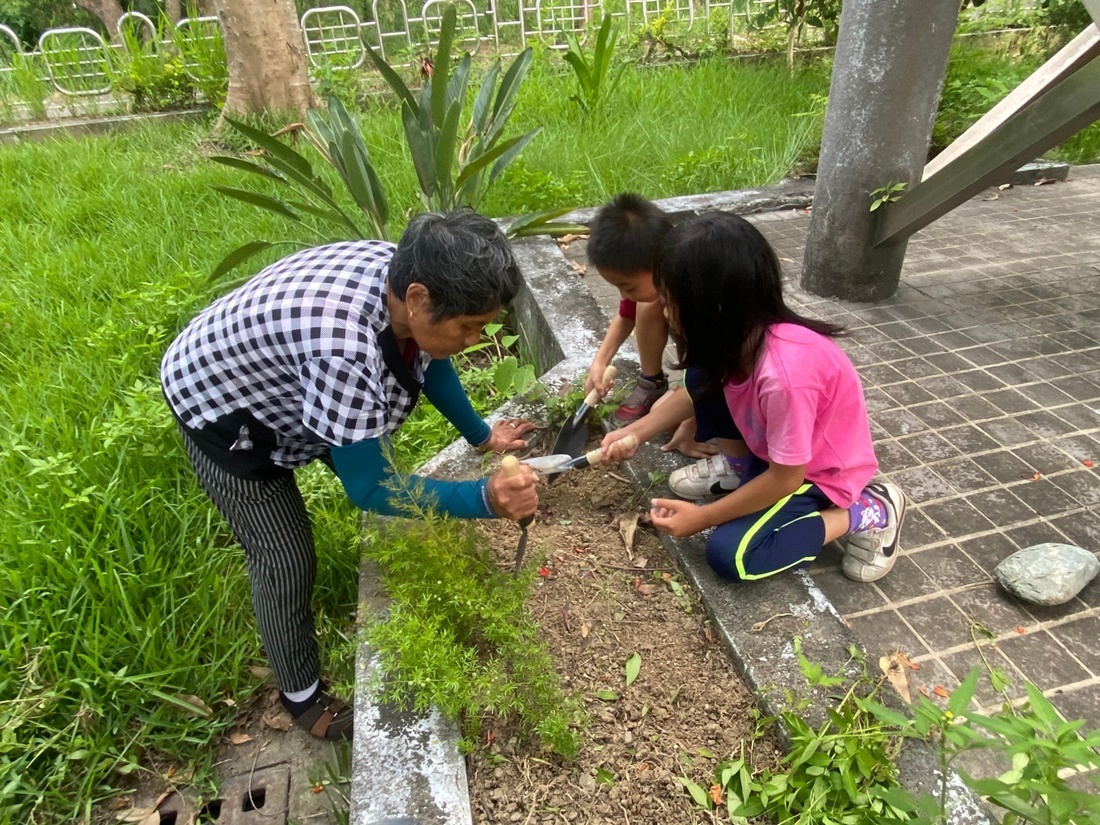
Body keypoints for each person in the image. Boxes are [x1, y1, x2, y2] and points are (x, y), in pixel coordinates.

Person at [161, 209, 539, 740]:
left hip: (281, 371)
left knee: (365, 441)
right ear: (417, 298)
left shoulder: (408, 280)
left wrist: (482, 435)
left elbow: (430, 359)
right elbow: (369, 487)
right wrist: (483, 499)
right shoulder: (343, 350)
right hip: (223, 408)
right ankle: (302, 698)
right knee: (283, 553)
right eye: (468, 327)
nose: (475, 339)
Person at [602, 212, 908, 584]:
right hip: (773, 457)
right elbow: (695, 392)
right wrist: (637, 432)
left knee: (733, 556)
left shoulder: (785, 377)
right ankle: (740, 469)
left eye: (670, 301)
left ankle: (869, 511)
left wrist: (703, 518)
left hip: (816, 474)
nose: (663, 312)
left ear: (709, 307)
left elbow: (787, 478)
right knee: (701, 373)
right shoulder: (734, 337)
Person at [585, 193, 716, 460]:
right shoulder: (662, 280)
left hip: (725, 377)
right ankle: (651, 381)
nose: (624, 295)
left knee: (669, 419)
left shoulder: (699, 298)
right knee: (645, 303)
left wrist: (689, 428)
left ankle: (736, 460)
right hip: (707, 375)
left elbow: (714, 376)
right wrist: (599, 362)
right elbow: (625, 316)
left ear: (659, 263)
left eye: (628, 286)